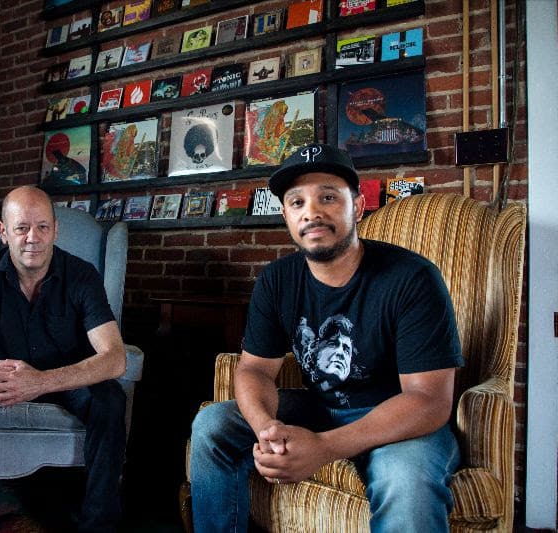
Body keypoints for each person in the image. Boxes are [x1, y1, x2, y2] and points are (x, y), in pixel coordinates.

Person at [189, 143, 463, 532]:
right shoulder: (277, 280)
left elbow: (429, 400)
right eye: (297, 202)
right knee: (212, 424)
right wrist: (266, 427)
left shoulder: (412, 278)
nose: (311, 212)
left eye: (328, 197)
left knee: (407, 481)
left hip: (397, 421)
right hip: (319, 407)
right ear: (285, 216)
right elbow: (255, 370)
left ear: (358, 205)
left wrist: (324, 448)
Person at [0, 186, 128, 533]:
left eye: (43, 227)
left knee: (110, 400)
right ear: (3, 233)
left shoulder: (82, 275)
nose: (33, 238)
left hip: (65, 379)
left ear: (56, 230)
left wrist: (42, 381)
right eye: (22, 227)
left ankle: (98, 525)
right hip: (3, 381)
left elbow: (115, 358)